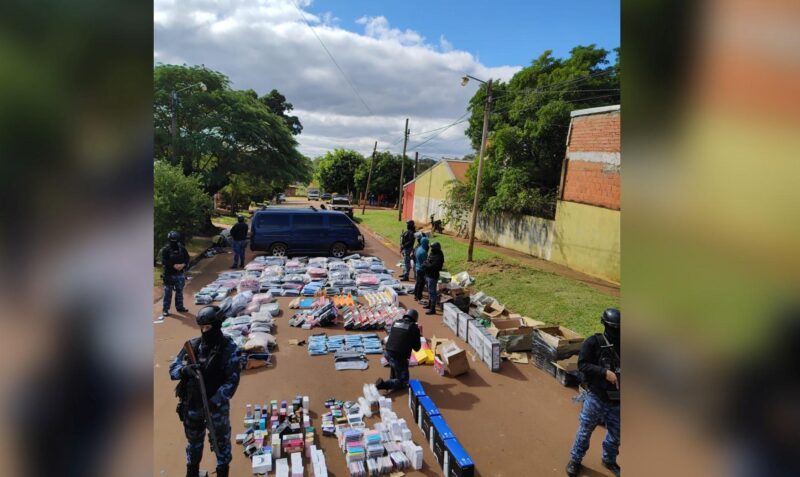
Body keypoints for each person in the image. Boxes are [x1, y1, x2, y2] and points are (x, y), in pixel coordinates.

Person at [170, 306, 241, 477]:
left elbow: (232, 381)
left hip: (216, 408)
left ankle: (222, 472)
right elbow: (173, 370)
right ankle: (192, 472)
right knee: (194, 444)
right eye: (202, 327)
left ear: (217, 326)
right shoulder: (193, 345)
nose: (204, 331)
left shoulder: (229, 348)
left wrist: (213, 401)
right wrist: (184, 370)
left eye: (208, 327)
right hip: (192, 405)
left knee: (221, 444)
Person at [566, 308, 621, 477]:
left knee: (616, 435)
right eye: (614, 327)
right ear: (605, 325)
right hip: (596, 397)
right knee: (585, 430)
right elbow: (582, 365)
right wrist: (604, 372)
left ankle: (609, 460)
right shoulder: (593, 342)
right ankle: (575, 460)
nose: (617, 331)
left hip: (618, 400)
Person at [376, 310, 421, 392]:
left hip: (387, 352)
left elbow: (397, 337)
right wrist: (418, 334)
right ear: (415, 319)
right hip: (398, 357)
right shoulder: (414, 328)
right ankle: (383, 384)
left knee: (395, 361)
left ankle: (393, 378)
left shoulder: (396, 322)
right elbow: (417, 348)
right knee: (404, 382)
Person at [159, 231, 190, 319]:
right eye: (172, 240)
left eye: (175, 239)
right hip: (169, 274)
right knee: (168, 293)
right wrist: (173, 265)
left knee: (179, 291)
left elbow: (187, 258)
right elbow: (164, 261)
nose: (174, 242)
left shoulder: (181, 248)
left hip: (179, 274)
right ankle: (165, 309)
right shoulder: (166, 249)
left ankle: (180, 307)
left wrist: (183, 265)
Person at [421, 241, 444, 315]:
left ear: (436, 248)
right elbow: (427, 260)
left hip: (433, 276)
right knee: (429, 291)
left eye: (432, 248)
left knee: (432, 292)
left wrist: (425, 265)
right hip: (428, 274)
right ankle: (429, 304)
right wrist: (425, 264)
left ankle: (432, 308)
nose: (431, 249)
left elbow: (433, 266)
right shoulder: (432, 253)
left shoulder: (439, 256)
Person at [413, 235, 429, 301]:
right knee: (421, 283)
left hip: (417, 267)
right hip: (421, 269)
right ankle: (419, 296)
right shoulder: (423, 252)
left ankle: (415, 294)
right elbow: (425, 262)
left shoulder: (419, 248)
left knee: (418, 282)